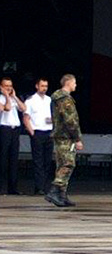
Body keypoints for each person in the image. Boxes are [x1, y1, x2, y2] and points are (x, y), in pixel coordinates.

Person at [46, 74, 83, 209]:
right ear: (68, 83)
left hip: (60, 135)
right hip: (66, 136)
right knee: (68, 163)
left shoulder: (57, 98)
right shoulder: (65, 99)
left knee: (61, 164)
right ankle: (54, 190)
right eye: (74, 83)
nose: (75, 85)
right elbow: (70, 121)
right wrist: (77, 138)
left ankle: (61, 195)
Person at [24, 77, 54, 195]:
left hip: (48, 132)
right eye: (42, 86)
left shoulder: (49, 100)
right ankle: (39, 187)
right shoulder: (30, 100)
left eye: (46, 86)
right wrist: (32, 133)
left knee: (47, 161)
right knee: (38, 161)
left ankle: (44, 186)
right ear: (37, 86)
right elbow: (26, 118)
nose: (44, 89)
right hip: (37, 132)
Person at [0, 77, 22, 195]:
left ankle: (12, 188)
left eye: (10, 85)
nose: (8, 88)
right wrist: (7, 96)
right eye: (6, 86)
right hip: (4, 129)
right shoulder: (1, 98)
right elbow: (7, 108)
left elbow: (23, 108)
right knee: (3, 159)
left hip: (15, 130)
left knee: (14, 159)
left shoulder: (13, 98)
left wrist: (14, 97)